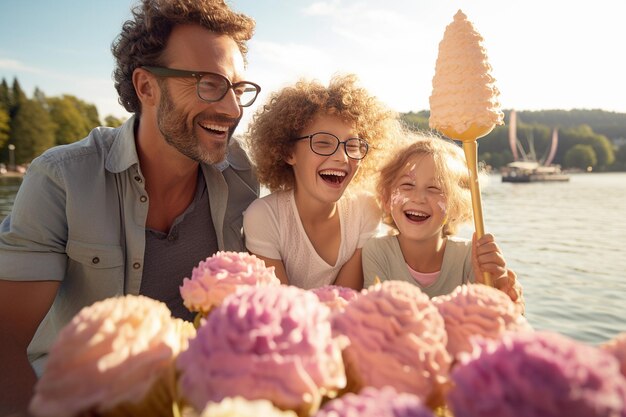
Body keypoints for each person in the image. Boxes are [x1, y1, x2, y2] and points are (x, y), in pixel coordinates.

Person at [0, 0, 260, 413]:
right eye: (209, 84)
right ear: (146, 86)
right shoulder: (61, 179)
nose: (231, 109)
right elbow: (7, 340)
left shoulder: (242, 174)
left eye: (237, 88)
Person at [243, 74, 403, 290]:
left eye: (353, 145)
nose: (342, 157)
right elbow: (280, 309)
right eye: (323, 143)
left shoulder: (365, 210)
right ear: (289, 152)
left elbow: (343, 299)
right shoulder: (265, 217)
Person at [362, 134, 522, 303]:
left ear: (456, 206)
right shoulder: (377, 251)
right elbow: (376, 314)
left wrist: (498, 285)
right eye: (407, 185)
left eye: (434, 188)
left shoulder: (470, 257)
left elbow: (504, 317)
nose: (418, 198)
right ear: (386, 198)